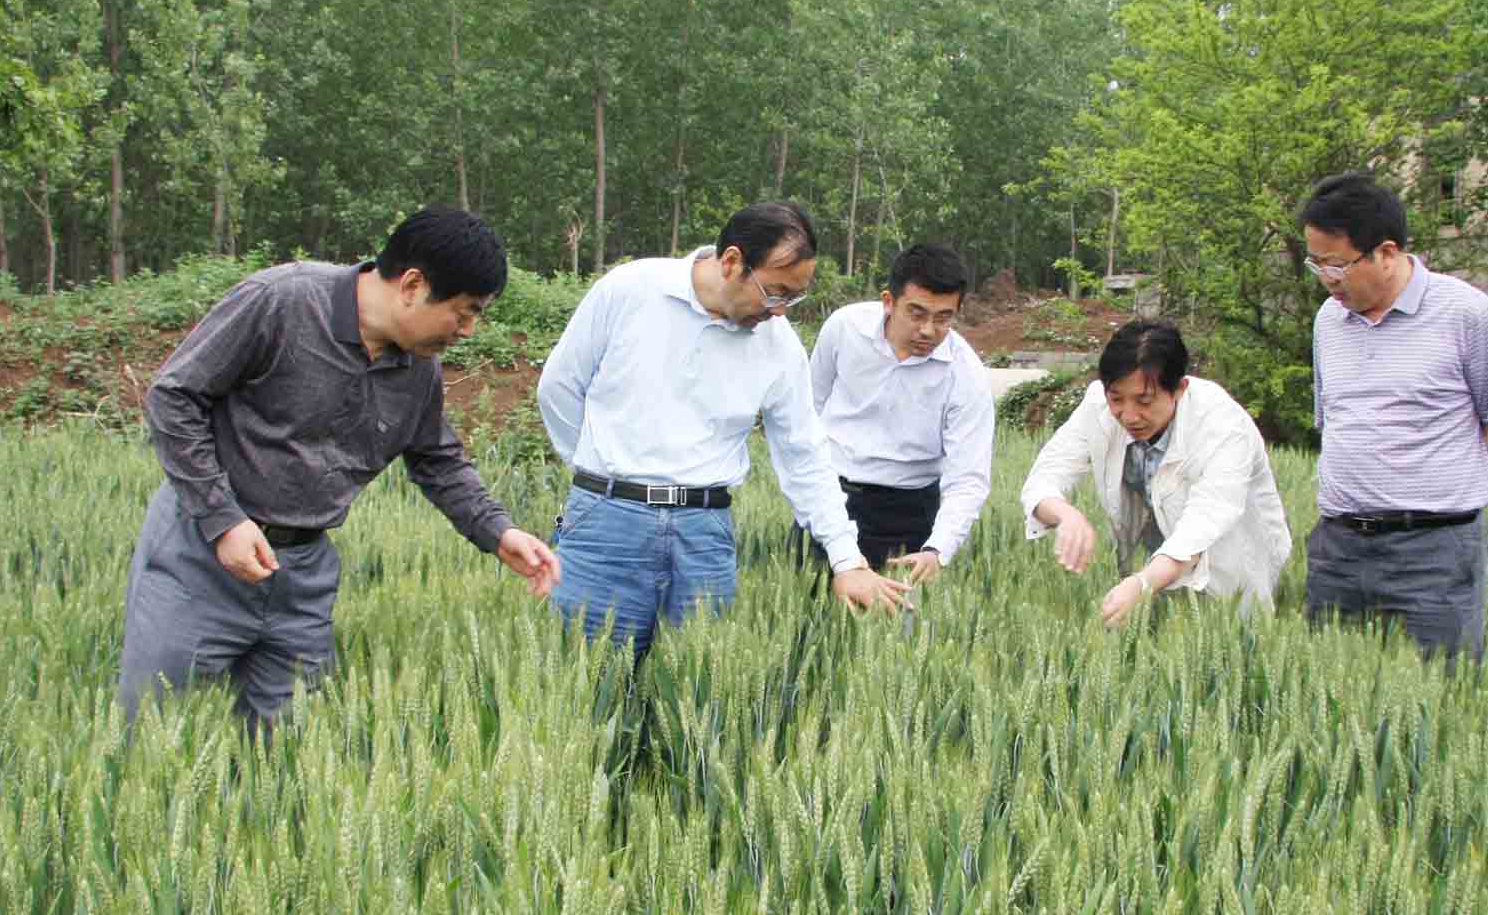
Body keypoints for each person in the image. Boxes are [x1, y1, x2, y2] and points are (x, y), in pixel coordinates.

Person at [118, 207, 560, 723]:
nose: (468, 330)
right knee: (155, 728)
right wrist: (224, 520)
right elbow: (174, 396)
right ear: (413, 285)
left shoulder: (418, 368)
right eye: (464, 312)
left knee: (290, 748)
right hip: (200, 557)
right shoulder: (281, 301)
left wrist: (499, 531)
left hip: (302, 578)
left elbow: (437, 460)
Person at [536, 201, 909, 657]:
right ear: (732, 261)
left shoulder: (778, 344)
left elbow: (805, 454)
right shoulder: (630, 290)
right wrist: (597, 473)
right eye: (775, 292)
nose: (780, 311)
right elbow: (558, 389)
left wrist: (847, 559)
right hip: (606, 524)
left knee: (696, 688)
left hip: (704, 534)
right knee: (589, 678)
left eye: (793, 298)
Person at [1300, 172, 1488, 660]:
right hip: (1338, 549)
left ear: (1386, 252)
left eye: (1336, 264)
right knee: (1330, 686)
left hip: (1433, 556)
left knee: (1443, 691)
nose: (1326, 279)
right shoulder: (1328, 321)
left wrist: (1443, 506)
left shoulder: (1469, 315)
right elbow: (1335, 421)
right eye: (1315, 263)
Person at [1019, 320, 1291, 625]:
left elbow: (1202, 525)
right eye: (1116, 399)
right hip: (1156, 563)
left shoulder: (1223, 426)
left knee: (1235, 637)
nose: (1129, 415)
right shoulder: (1097, 405)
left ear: (1179, 389)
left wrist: (1143, 583)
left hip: (1229, 564)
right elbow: (1046, 475)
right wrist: (1065, 515)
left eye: (1144, 401)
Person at [799, 244, 995, 583]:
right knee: (807, 609)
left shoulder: (966, 373)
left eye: (943, 318)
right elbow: (808, 410)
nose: (928, 330)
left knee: (900, 616)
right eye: (917, 314)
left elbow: (968, 477)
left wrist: (937, 549)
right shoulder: (844, 328)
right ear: (889, 301)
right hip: (831, 500)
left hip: (911, 515)